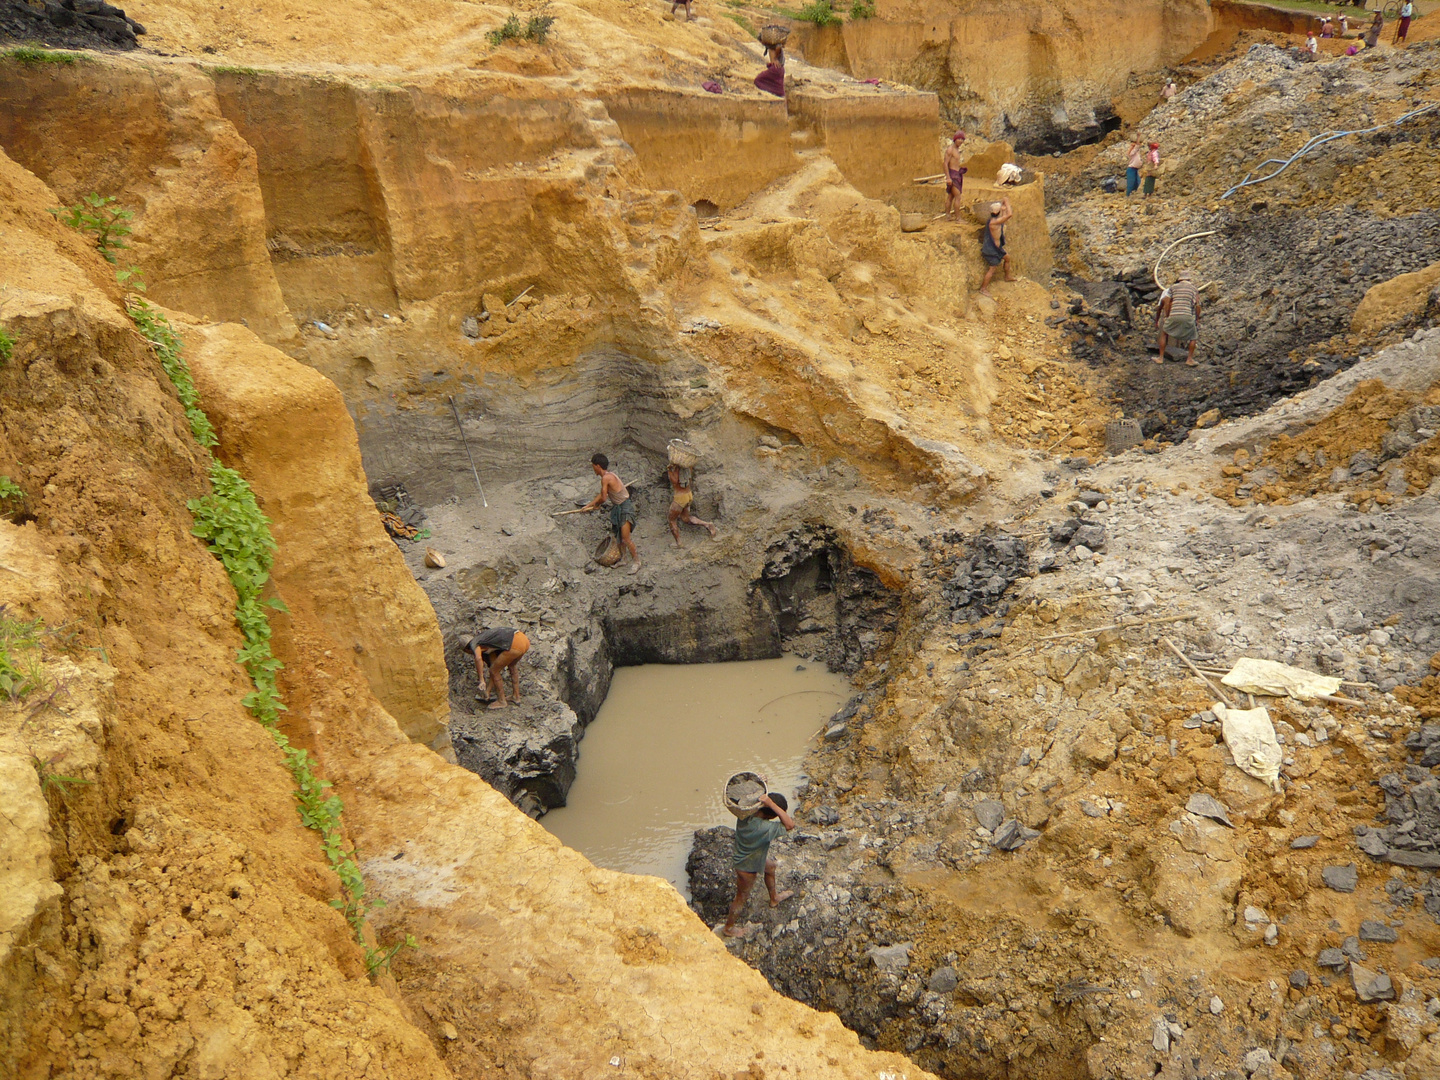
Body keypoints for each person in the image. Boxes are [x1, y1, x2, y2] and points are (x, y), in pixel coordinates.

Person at [723, 791, 796, 937]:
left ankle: (774, 898)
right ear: (771, 815)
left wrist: (764, 791)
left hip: (755, 856)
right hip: (746, 866)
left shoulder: (745, 813)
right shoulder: (763, 828)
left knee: (771, 867)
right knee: (741, 897)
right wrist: (772, 804)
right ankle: (728, 928)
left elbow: (746, 793)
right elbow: (789, 824)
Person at [582, 452, 641, 572]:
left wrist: (597, 505)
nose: (593, 468)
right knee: (618, 536)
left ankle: (637, 562)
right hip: (618, 507)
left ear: (597, 466)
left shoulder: (606, 478)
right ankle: (624, 559)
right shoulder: (608, 476)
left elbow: (603, 498)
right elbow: (601, 494)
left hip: (624, 508)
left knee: (625, 538)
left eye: (593, 465)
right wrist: (590, 504)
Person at [467, 627, 529, 709]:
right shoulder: (489, 642)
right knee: (511, 666)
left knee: (494, 671)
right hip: (523, 640)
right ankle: (516, 696)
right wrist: (487, 691)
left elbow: (478, 659)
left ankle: (501, 701)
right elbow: (494, 666)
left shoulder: (474, 643)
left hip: (514, 644)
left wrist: (481, 680)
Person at [1156, 269, 1201, 366]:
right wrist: (1197, 319)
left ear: (1179, 279)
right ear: (1189, 279)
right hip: (1187, 315)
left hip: (1174, 314)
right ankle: (1189, 359)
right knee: (1193, 337)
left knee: (1164, 333)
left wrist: (1167, 315)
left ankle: (1160, 358)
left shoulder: (1173, 287)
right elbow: (1197, 305)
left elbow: (1167, 302)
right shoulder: (1194, 289)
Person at [666, 462, 716, 546]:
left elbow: (674, 481)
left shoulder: (676, 471)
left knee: (671, 520)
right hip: (688, 495)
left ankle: (679, 543)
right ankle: (707, 524)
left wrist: (669, 470)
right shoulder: (688, 468)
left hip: (680, 498)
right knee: (685, 518)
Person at [978, 199, 1015, 299]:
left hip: (997, 249)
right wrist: (1007, 202)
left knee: (1007, 258)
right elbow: (1009, 214)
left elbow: (1003, 217)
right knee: (992, 269)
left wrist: (1002, 208)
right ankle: (983, 288)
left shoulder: (995, 220)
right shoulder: (994, 223)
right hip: (991, 250)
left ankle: (1007, 276)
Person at [942, 131, 967, 220]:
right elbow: (945, 163)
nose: (960, 141)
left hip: (956, 175)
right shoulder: (950, 150)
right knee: (958, 196)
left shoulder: (956, 150)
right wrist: (948, 177)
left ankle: (948, 216)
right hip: (953, 175)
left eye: (962, 139)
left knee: (951, 196)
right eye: (959, 139)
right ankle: (958, 218)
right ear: (955, 139)